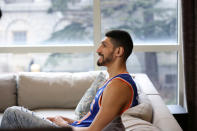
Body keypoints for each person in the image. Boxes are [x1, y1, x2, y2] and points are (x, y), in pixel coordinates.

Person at [0, 30, 138, 131]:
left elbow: (94, 130)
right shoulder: (113, 81)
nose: (98, 50)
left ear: (118, 51)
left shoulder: (119, 86)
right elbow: (92, 122)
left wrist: (64, 125)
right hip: (73, 128)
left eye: (104, 45)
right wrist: (70, 121)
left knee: (13, 114)